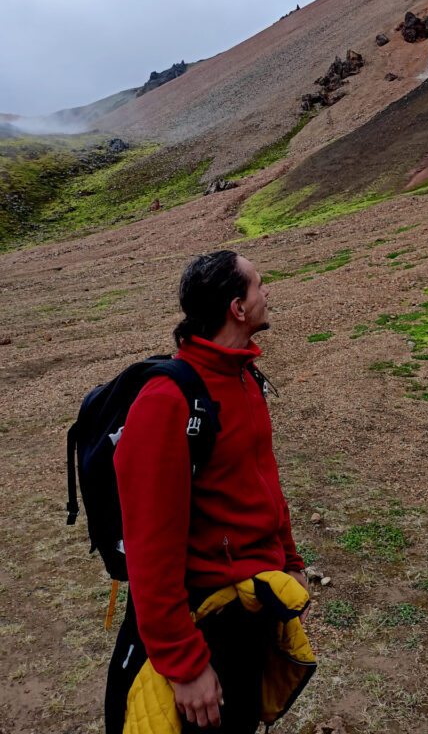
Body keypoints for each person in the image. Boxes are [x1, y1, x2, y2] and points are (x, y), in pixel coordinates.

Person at [106, 250, 310, 732]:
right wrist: (186, 665)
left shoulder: (243, 378)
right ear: (237, 308)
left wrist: (291, 561)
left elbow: (264, 484)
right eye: (259, 285)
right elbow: (149, 546)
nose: (267, 294)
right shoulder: (167, 402)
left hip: (250, 611)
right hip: (205, 625)